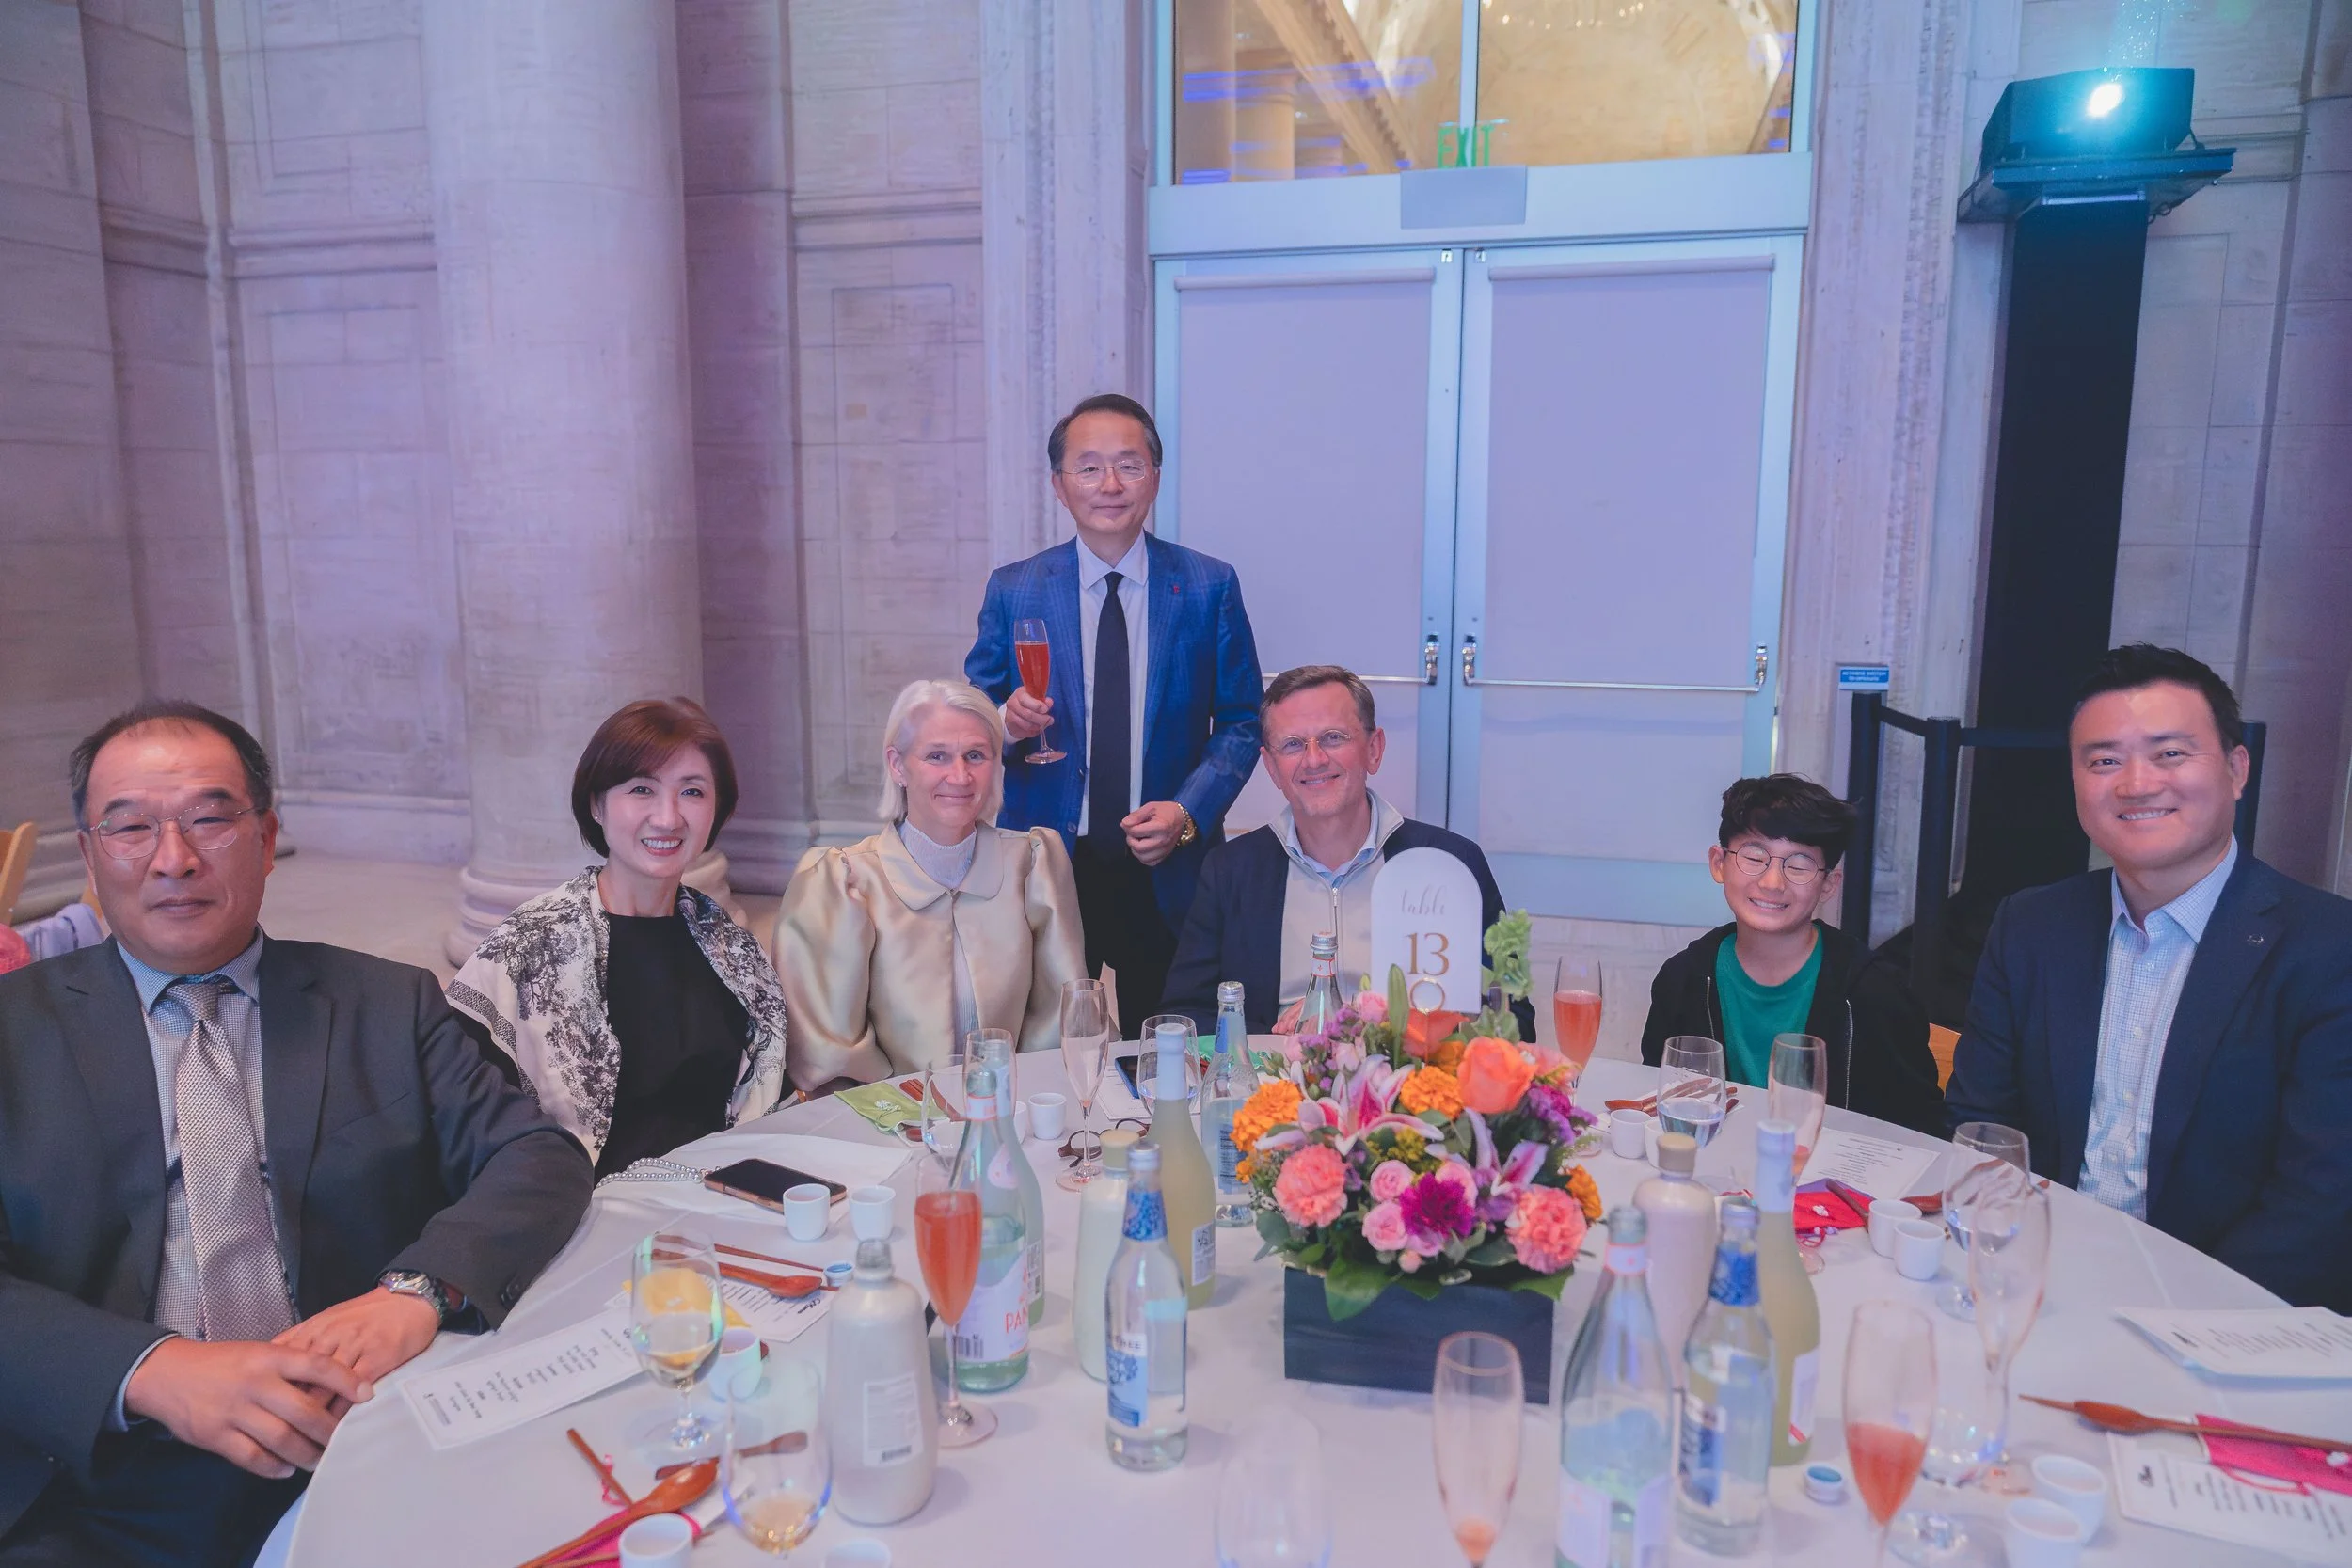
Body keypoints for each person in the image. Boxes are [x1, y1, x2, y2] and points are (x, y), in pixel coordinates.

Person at [0, 702, 592, 1567]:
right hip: (94, 1468)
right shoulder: (14, 1031)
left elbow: (535, 1156)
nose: (175, 857)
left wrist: (415, 1293)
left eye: (210, 817)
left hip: (357, 1436)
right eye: (131, 826)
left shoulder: (388, 1004)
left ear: (267, 837)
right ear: (90, 856)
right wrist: (150, 1370)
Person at [1946, 645, 2352, 1311]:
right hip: (2038, 1290)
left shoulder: (2329, 948)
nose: (2136, 783)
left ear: (2236, 768)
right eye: (2104, 760)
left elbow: (2321, 1203)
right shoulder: (2031, 925)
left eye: (2169, 753)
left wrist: (2166, 1320)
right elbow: (1981, 1122)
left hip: (2223, 1323)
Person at [964, 393, 1263, 1034]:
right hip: (1048, 855)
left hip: (1165, 857)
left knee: (1165, 1044)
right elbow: (969, 716)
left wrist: (1188, 813)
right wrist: (1004, 724)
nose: (1109, 484)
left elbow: (1242, 721)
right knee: (1045, 1036)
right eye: (1089, 467)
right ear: (1059, 485)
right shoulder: (1014, 586)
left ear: (1155, 476)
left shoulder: (1209, 585)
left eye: (1129, 465)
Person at [447, 698, 788, 1179]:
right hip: (577, 1217)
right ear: (596, 804)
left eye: (692, 792)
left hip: (718, 1204)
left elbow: (764, 1095)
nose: (668, 818)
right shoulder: (530, 945)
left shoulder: (733, 949)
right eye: (642, 789)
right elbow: (460, 1116)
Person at [1162, 665, 1531, 1038]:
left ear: (1373, 750)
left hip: (1411, 1091)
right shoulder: (1229, 871)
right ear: (1272, 768)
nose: (1314, 759)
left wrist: (1368, 1018)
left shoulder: (1450, 865)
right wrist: (1280, 1041)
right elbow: (1184, 1016)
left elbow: (1515, 1019)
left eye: (1333, 737)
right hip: (1272, 1086)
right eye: (1292, 744)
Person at [775, 679, 1086, 1089]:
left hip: (1017, 1112)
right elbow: (830, 1059)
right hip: (887, 1129)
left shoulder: (1032, 865)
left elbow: (1064, 1024)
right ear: (897, 765)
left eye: (975, 755)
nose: (959, 776)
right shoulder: (843, 881)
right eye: (937, 756)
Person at [1639, 775, 1945, 1134]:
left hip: (1830, 1182)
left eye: (1798, 866)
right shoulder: (1684, 979)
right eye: (1754, 856)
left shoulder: (1874, 994)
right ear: (1719, 863)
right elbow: (1659, 1105)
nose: (1772, 882)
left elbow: (1920, 1133)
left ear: (1828, 884)